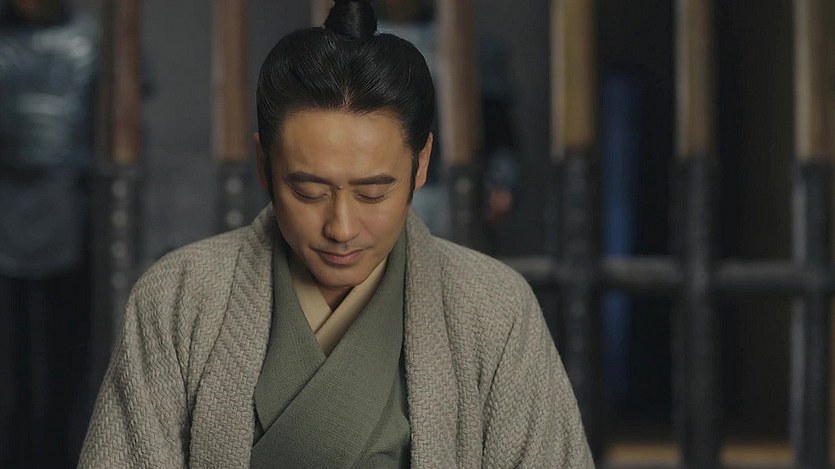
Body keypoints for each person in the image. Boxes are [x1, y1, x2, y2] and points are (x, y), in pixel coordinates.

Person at [79, 1, 593, 467]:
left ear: (421, 164)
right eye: (308, 192)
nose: (341, 228)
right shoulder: (180, 297)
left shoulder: (493, 309)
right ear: (263, 164)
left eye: (372, 193)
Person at [0, 1, 97, 467]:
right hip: (5, 210)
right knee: (11, 368)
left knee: (66, 361)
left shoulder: (92, 40)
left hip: (71, 213)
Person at [375, 0, 520, 243]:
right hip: (378, 193)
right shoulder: (353, 47)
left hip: (453, 195)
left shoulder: (473, 48)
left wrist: (501, 181)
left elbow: (499, 128)